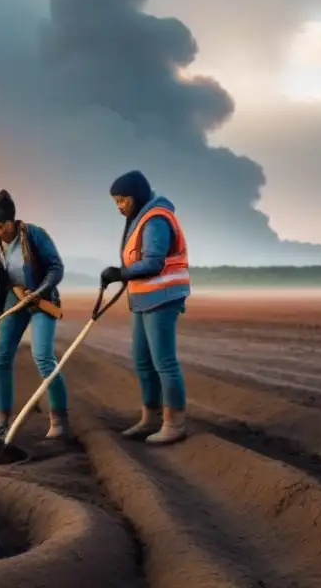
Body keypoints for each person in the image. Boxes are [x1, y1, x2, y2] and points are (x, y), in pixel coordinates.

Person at [100, 170, 191, 446]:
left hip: (162, 296)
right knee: (142, 360)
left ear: (136, 197)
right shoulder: (139, 217)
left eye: (121, 200)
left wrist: (120, 273)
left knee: (163, 361)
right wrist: (121, 274)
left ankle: (174, 422)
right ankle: (150, 417)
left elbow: (153, 262)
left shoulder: (155, 219)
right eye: (115, 201)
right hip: (144, 298)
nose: (119, 206)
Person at [0, 189, 69, 441]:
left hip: (42, 298)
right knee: (1, 356)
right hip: (14, 297)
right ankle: (2, 422)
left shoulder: (35, 235)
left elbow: (56, 268)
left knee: (42, 356)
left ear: (11, 222)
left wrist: (39, 292)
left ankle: (59, 419)